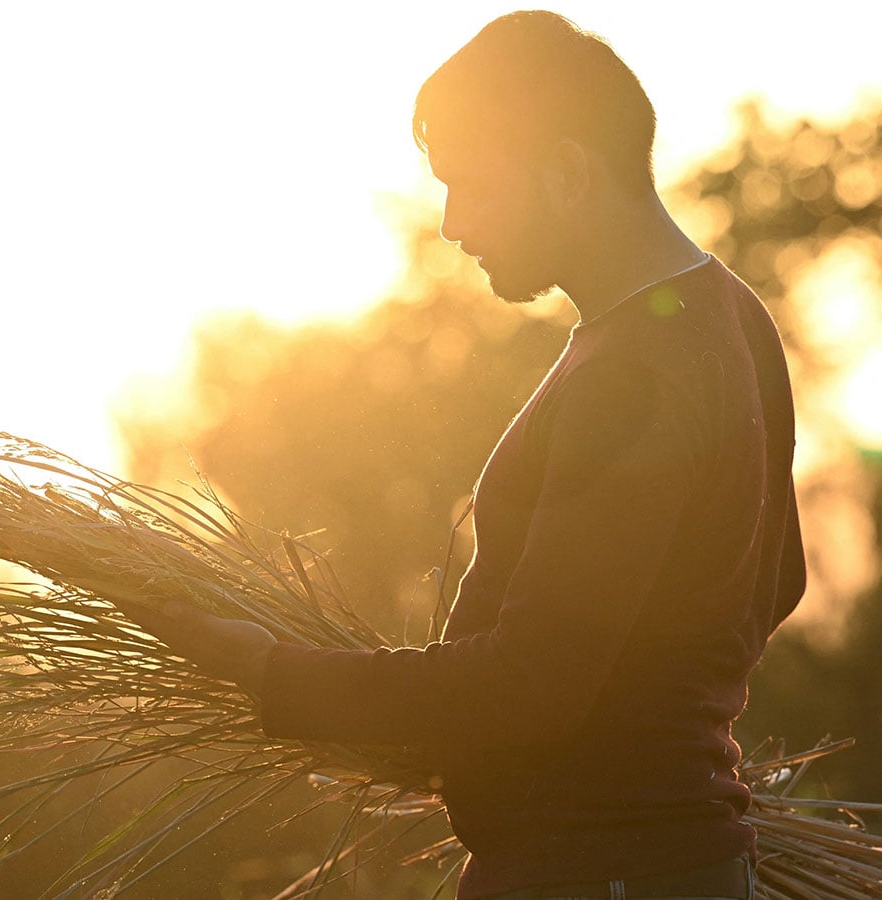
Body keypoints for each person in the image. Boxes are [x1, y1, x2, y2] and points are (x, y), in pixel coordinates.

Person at [135, 10, 805, 900]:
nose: (451, 224)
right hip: (671, 859)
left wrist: (264, 667)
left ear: (565, 172)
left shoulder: (631, 377)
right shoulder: (735, 319)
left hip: (592, 872)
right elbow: (780, 579)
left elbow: (529, 683)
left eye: (470, 186)